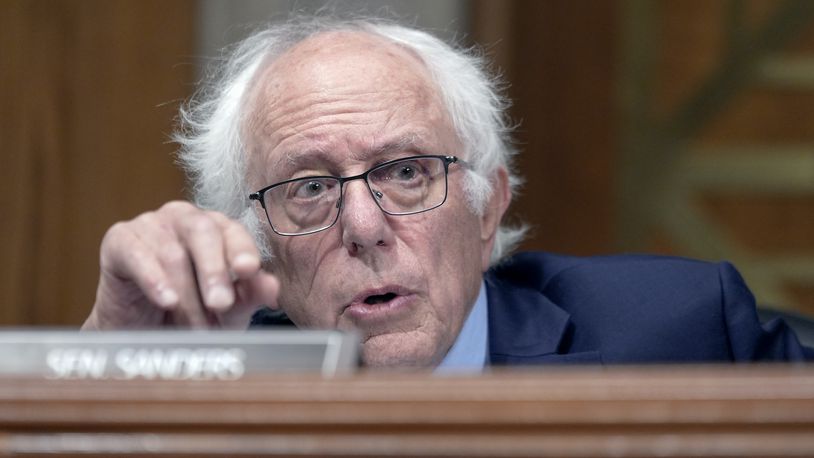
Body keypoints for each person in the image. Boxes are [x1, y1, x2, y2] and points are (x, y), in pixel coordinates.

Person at [82, 16, 813, 368]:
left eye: (406, 173)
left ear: (488, 205)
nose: (364, 225)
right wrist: (112, 359)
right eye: (310, 186)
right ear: (259, 241)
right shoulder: (210, 377)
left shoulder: (683, 329)